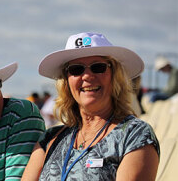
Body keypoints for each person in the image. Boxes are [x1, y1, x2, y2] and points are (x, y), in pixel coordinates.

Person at [22, 32, 160, 181]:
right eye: (76, 69)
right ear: (66, 82)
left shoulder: (135, 135)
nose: (87, 76)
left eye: (98, 67)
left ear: (114, 76)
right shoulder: (50, 139)